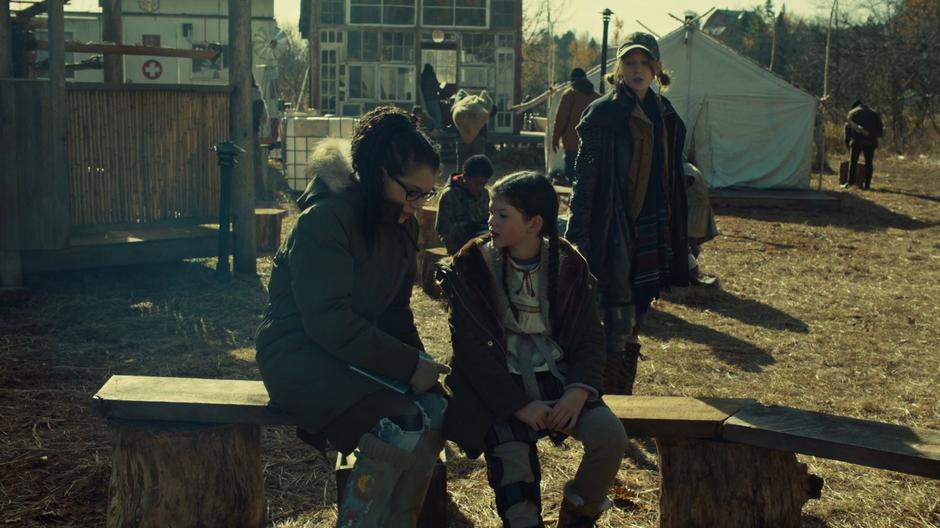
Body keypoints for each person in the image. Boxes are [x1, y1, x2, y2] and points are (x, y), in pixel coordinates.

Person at [254, 107, 451, 527]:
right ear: (378, 173)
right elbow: (327, 322)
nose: (416, 207)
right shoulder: (325, 221)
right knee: (401, 420)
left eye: (425, 195)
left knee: (434, 410)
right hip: (299, 357)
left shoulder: (401, 227)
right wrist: (405, 366)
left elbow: (396, 311)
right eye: (411, 192)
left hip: (351, 354)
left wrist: (422, 368)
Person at [437, 171, 628, 528]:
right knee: (515, 478)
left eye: (502, 215)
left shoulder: (570, 265)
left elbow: (589, 337)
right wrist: (519, 405)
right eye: (491, 212)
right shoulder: (471, 267)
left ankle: (579, 514)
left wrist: (577, 391)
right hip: (499, 388)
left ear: (533, 223)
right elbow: (471, 354)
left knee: (610, 437)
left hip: (557, 377)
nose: (490, 221)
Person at [566, 32, 690, 395]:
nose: (637, 71)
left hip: (652, 226)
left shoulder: (666, 115)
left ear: (656, 69)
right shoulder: (603, 113)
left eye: (644, 64)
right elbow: (585, 179)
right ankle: (603, 400)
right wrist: (579, 234)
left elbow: (672, 178)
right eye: (629, 64)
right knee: (612, 319)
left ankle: (622, 397)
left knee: (636, 314)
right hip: (611, 225)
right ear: (619, 69)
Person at [435, 154, 494, 254]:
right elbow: (441, 229)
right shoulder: (449, 195)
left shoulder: (484, 193)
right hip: (458, 246)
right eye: (476, 183)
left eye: (483, 184)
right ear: (465, 177)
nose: (480, 188)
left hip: (481, 239)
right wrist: (467, 226)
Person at [552, 68, 600, 185]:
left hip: (572, 142)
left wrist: (555, 139)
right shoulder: (597, 97)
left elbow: (561, 119)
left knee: (572, 176)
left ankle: (573, 198)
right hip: (592, 143)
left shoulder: (570, 94)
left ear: (572, 80)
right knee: (587, 176)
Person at [683, 160, 719, 286]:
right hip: (697, 208)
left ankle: (691, 273)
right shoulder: (689, 168)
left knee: (689, 243)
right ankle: (690, 270)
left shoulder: (686, 171)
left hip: (694, 210)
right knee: (691, 242)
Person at [844, 99, 884, 190]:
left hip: (857, 141)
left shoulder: (853, 113)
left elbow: (847, 129)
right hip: (870, 142)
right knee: (869, 163)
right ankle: (867, 185)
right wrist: (874, 137)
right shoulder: (874, 113)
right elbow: (881, 129)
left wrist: (847, 142)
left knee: (853, 162)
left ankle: (850, 182)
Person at [420, 64, 444, 131]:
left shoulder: (423, 77)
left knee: (429, 115)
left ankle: (430, 128)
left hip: (425, 99)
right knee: (437, 114)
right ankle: (438, 128)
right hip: (433, 98)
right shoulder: (432, 76)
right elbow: (437, 87)